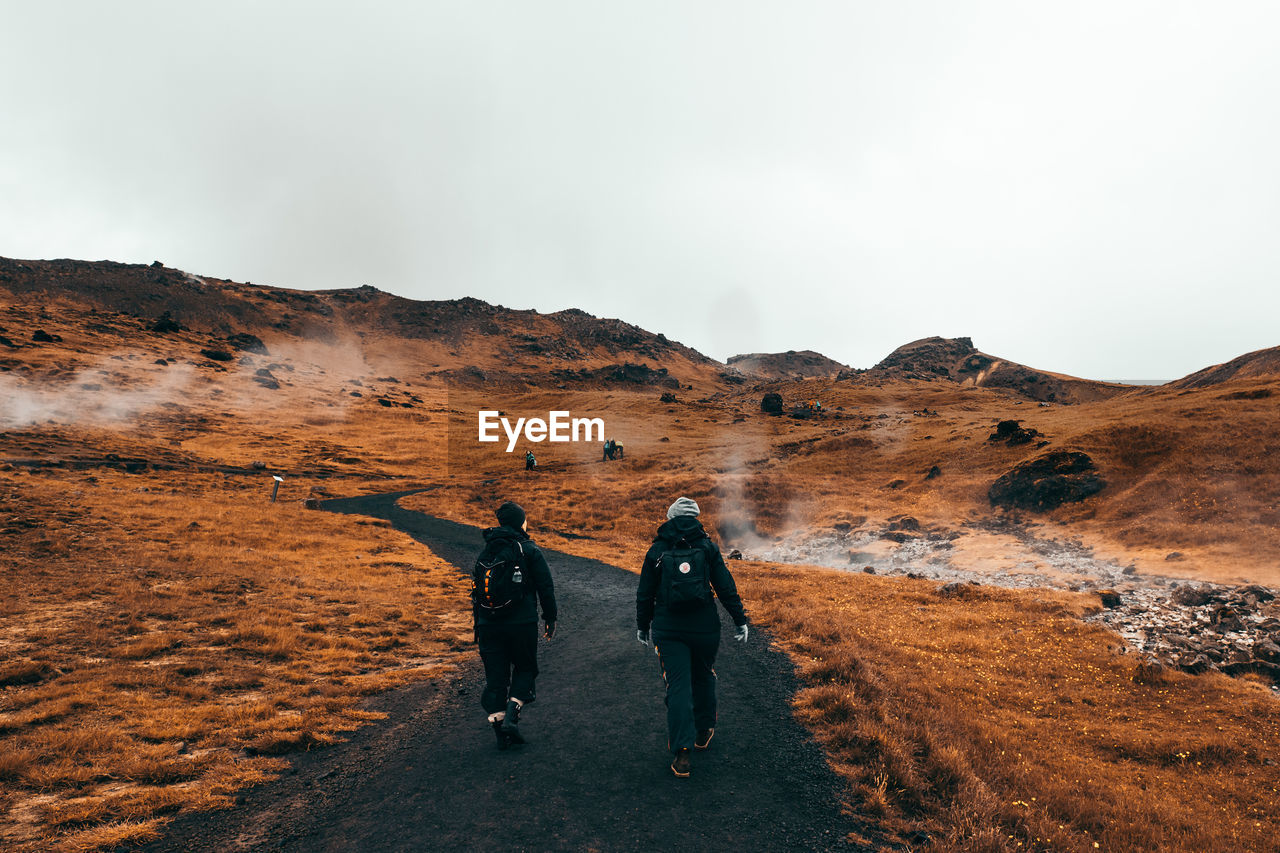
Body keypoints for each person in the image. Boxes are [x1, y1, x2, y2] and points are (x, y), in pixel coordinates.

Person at [636, 497, 748, 778]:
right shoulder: (707, 546)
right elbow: (724, 586)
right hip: (705, 626)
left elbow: (645, 593)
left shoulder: (657, 549)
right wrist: (739, 619)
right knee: (703, 675)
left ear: (670, 517)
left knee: (678, 686)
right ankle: (703, 730)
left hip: (669, 628)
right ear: (696, 518)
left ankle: (682, 754)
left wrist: (643, 626)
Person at [472, 501, 557, 749]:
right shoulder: (529, 549)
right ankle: (512, 715)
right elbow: (546, 587)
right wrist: (549, 618)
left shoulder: (487, 550)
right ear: (521, 522)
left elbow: (477, 592)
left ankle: (501, 733)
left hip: (488, 624)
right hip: (521, 622)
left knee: (496, 679)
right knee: (525, 668)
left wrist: (480, 624)